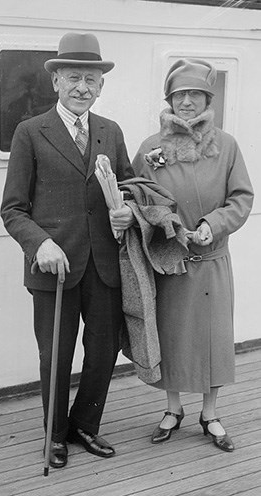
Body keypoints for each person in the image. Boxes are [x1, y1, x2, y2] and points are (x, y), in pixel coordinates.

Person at [0, 32, 134, 468]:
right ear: (56, 80)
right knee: (55, 356)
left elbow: (131, 190)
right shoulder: (30, 132)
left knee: (102, 353)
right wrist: (41, 244)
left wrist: (128, 212)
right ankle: (54, 435)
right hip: (53, 269)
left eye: (91, 79)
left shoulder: (110, 132)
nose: (82, 87)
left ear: (101, 85)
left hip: (104, 267)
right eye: (73, 77)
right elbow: (13, 209)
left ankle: (84, 425)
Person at [132, 58, 254, 452]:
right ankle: (172, 409)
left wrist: (211, 224)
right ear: (169, 98)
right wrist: (163, 223)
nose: (186, 102)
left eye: (194, 94)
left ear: (207, 99)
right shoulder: (151, 148)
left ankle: (210, 413)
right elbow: (136, 197)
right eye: (179, 94)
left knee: (213, 340)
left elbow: (241, 198)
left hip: (212, 260)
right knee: (171, 337)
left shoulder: (227, 145)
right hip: (171, 262)